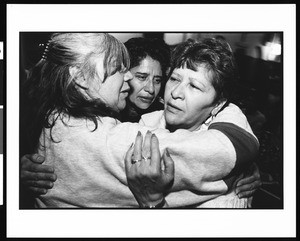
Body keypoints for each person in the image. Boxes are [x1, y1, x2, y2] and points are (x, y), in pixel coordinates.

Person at [20, 33, 259, 208]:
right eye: (174, 79)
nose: (130, 79)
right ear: (81, 77)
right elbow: (217, 154)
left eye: (195, 86)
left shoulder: (53, 116)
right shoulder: (139, 127)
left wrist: (245, 166)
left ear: (217, 103)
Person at [120, 37, 170, 122]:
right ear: (124, 75)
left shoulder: (164, 116)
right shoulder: (109, 119)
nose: (151, 89)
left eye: (157, 80)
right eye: (142, 77)